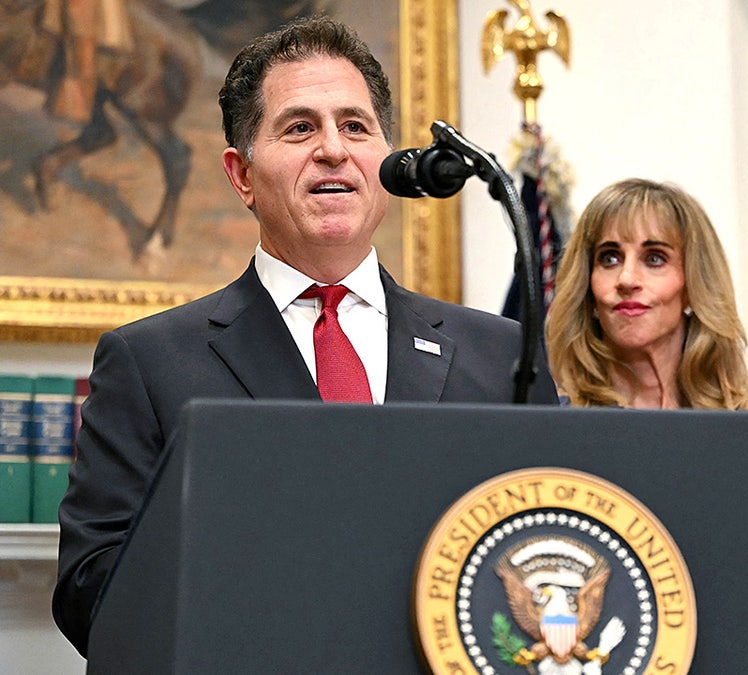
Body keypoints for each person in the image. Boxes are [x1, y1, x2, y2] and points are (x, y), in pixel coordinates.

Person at [53, 16, 558, 657]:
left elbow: (544, 547)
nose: (333, 150)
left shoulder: (500, 355)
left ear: (389, 160)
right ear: (241, 175)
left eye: (355, 126)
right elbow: (88, 591)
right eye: (299, 127)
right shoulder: (150, 362)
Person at [545, 178, 748, 411]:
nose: (627, 279)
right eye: (610, 258)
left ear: (692, 285)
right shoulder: (551, 431)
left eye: (654, 259)